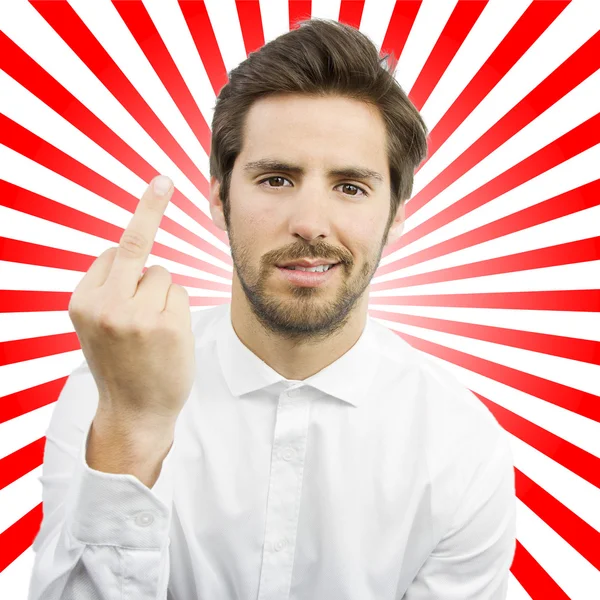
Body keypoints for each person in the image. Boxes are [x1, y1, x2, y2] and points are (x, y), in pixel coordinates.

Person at [28, 18, 516, 600]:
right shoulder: (109, 388)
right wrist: (131, 428)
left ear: (398, 211)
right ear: (218, 195)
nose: (310, 223)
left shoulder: (459, 443)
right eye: (277, 178)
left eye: (351, 187)